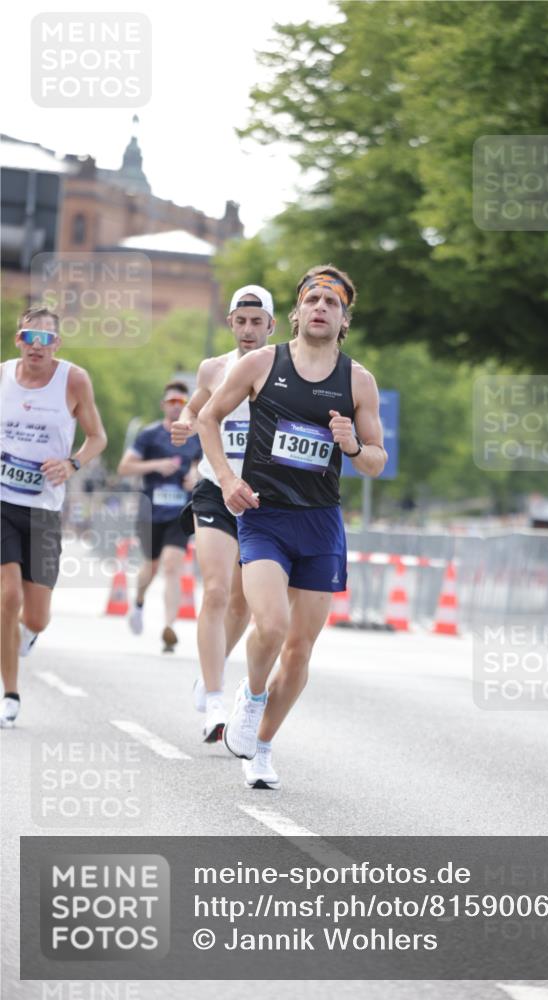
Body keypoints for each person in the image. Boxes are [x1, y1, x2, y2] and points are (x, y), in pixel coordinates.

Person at [198, 265, 386, 788]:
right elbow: (208, 419)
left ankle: (261, 748)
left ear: (345, 318)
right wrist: (226, 476)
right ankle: (252, 696)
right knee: (272, 625)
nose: (322, 308)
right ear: (298, 312)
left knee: (301, 648)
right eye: (313, 300)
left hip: (321, 524)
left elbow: (376, 460)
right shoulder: (262, 363)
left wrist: (351, 445)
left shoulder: (357, 381)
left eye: (333, 303)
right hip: (265, 516)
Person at [170, 285, 276, 743]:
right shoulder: (214, 368)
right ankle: (215, 699)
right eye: (241, 321)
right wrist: (184, 422)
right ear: (230, 323)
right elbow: (197, 407)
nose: (249, 330)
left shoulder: (284, 370)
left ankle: (210, 672)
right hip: (215, 488)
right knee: (214, 590)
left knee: (242, 602)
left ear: (272, 326)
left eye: (258, 322)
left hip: (262, 498)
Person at [1, 306, 107, 727]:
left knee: (36, 617)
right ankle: (10, 692)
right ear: (18, 340)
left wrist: (72, 464)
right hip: (3, 502)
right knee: (7, 597)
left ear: (57, 345)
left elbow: (97, 437)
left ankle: (24, 638)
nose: (37, 346)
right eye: (30, 337)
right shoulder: (3, 376)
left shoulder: (74, 379)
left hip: (44, 508)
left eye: (46, 339)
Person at [117, 382, 201, 652]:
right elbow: (124, 467)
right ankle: (139, 602)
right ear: (164, 405)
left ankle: (169, 627)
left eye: (182, 402)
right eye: (172, 401)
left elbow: (203, 467)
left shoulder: (195, 436)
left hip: (180, 513)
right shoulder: (149, 435)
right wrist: (156, 465)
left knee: (172, 566)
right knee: (150, 567)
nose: (177, 406)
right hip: (150, 511)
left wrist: (195, 478)